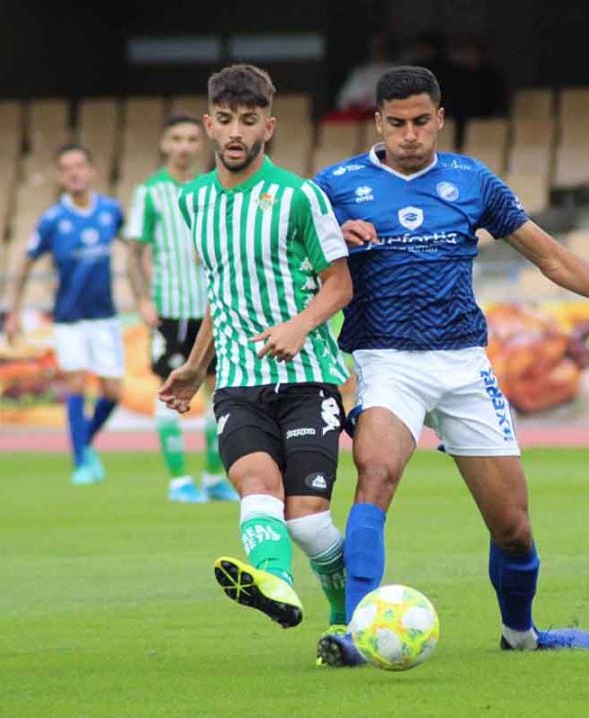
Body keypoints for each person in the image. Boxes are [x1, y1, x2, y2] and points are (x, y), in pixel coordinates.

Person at [312, 66, 589, 666]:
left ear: (439, 118)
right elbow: (293, 267)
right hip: (386, 359)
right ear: (377, 121)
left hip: (464, 364)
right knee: (376, 472)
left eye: (420, 122)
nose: (409, 134)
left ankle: (521, 635)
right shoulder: (333, 187)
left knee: (512, 526)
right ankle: (360, 635)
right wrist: (330, 242)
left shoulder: (472, 181)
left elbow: (550, 257)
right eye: (396, 123)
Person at [157, 65, 354, 640]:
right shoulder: (193, 201)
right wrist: (196, 367)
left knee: (308, 522)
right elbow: (224, 292)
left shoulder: (298, 196)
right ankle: (276, 585)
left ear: (268, 125)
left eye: (248, 120)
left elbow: (339, 284)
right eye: (224, 120)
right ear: (209, 126)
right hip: (238, 383)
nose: (235, 131)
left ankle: (345, 620)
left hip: (310, 377)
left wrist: (297, 326)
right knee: (255, 483)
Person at [125, 113, 239, 504]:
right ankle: (178, 481)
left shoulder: (216, 189)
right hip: (171, 309)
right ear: (164, 144)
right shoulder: (151, 192)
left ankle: (211, 477)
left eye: (192, 138)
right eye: (177, 138)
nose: (185, 146)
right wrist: (142, 297)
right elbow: (133, 252)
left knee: (219, 392)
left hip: (214, 309)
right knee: (169, 391)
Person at [4, 144, 133, 486]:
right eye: (67, 168)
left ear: (91, 171)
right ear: (61, 177)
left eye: (80, 166)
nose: (74, 173)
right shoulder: (52, 220)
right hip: (69, 317)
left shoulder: (110, 211)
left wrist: (146, 287)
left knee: (113, 392)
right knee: (76, 383)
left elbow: (135, 249)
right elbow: (24, 264)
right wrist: (13, 311)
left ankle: (85, 442)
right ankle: (80, 463)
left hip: (104, 316)